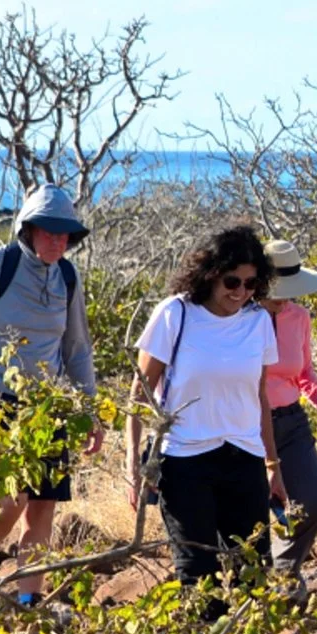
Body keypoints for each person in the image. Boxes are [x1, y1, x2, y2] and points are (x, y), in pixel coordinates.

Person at [0, 184, 101, 608]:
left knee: (43, 503)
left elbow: (77, 350)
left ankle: (30, 600)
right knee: (12, 496)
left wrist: (90, 412)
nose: (58, 241)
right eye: (49, 231)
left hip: (48, 404)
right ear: (27, 229)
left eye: (65, 234)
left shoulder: (67, 276)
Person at [126, 225, 284, 587]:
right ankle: (200, 629)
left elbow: (260, 396)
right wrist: (134, 463)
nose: (241, 292)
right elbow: (139, 394)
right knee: (198, 576)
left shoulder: (259, 320)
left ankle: (245, 629)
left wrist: (273, 464)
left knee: (253, 571)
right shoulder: (175, 313)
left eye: (251, 283)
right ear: (211, 274)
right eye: (232, 281)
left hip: (244, 456)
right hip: (185, 459)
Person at [256, 239, 317, 578]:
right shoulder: (241, 317)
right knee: (253, 509)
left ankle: (283, 571)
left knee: (313, 504)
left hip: (291, 420)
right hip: (248, 424)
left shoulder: (299, 317)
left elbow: (304, 372)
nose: (283, 298)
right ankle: (251, 580)